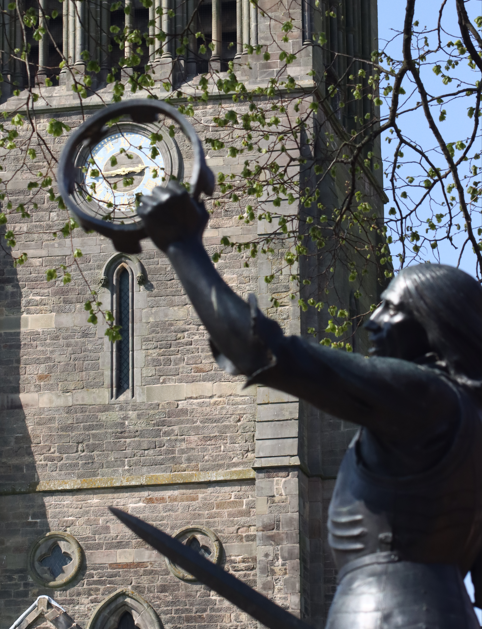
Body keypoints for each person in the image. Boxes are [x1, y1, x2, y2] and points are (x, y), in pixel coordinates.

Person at [137, 182, 482, 629]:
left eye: (393, 311)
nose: (373, 323)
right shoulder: (470, 422)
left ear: (435, 327)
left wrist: (181, 244)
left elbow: (263, 353)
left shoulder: (422, 397)